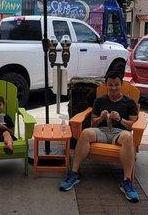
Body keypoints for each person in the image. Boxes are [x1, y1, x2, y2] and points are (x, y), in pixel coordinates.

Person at [59, 73, 140, 203]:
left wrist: (120, 119)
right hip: (101, 131)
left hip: (120, 133)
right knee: (85, 133)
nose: (113, 88)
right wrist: (101, 117)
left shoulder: (129, 102)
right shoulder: (100, 100)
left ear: (121, 85)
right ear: (106, 85)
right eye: (110, 85)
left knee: (128, 137)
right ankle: (74, 173)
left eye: (116, 85)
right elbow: (93, 123)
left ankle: (127, 181)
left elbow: (132, 125)